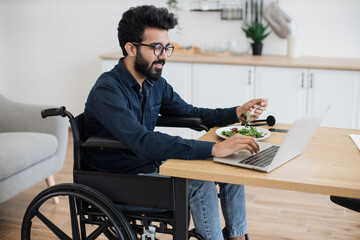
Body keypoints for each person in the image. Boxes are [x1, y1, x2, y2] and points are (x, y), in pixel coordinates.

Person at [84, 5, 268, 240]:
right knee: (200, 183)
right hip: (119, 182)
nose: (163, 56)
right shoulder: (107, 90)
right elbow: (142, 141)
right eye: (156, 48)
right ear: (130, 48)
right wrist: (213, 148)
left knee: (231, 165)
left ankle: (238, 236)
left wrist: (237, 112)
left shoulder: (155, 83)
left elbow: (192, 113)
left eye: (166, 48)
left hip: (149, 168)